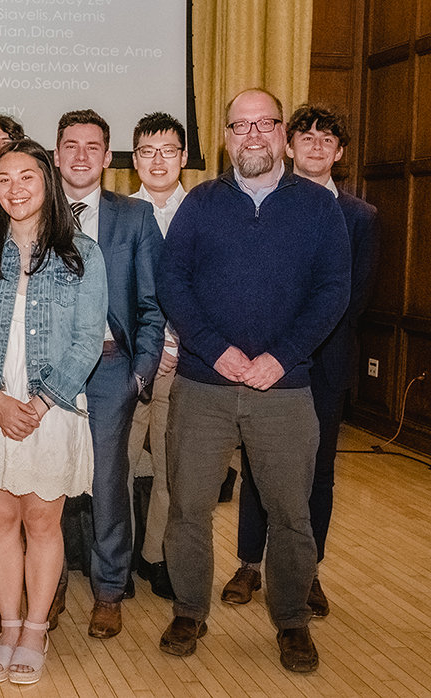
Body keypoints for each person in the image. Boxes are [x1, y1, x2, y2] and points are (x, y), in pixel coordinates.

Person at [157, 88, 350, 673]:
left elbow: (332, 292)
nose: (252, 136)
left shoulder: (319, 209)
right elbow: (173, 282)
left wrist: (281, 357)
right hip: (203, 384)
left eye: (264, 124)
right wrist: (215, 352)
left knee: (291, 511)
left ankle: (291, 620)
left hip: (284, 388)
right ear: (225, 139)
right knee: (189, 507)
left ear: (282, 133)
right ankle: (189, 609)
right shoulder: (201, 203)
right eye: (239, 127)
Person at [0, 138, 107, 685]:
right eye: (4, 179)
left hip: (54, 402)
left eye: (27, 178)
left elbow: (89, 339)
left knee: (43, 521)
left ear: (48, 183)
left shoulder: (81, 253)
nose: (14, 189)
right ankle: (9, 623)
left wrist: (42, 400)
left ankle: (37, 628)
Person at [222, 103, 378, 618]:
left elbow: (351, 297)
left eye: (326, 139)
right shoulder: (268, 203)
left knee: (317, 474)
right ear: (288, 145)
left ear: (340, 153)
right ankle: (249, 564)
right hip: (263, 364)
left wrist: (293, 349)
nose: (315, 145)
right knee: (257, 467)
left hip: (323, 367)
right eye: (305, 137)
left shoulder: (360, 216)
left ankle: (306, 572)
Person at [55, 109, 165, 639]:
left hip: (110, 368)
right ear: (56, 154)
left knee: (106, 484)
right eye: (71, 145)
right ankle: (46, 589)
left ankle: (108, 590)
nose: (81, 155)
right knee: (46, 483)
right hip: (45, 371)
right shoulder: (34, 209)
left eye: (92, 146)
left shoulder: (134, 218)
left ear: (107, 156)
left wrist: (141, 372)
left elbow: (151, 302)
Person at [125, 111, 189, 601]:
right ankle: (120, 559)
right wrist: (151, 347)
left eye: (168, 150)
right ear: (134, 160)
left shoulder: (203, 213)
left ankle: (157, 557)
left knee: (172, 470)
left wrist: (176, 343)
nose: (158, 160)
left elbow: (211, 292)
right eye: (147, 151)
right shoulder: (122, 214)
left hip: (186, 364)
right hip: (132, 363)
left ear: (183, 158)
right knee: (118, 468)